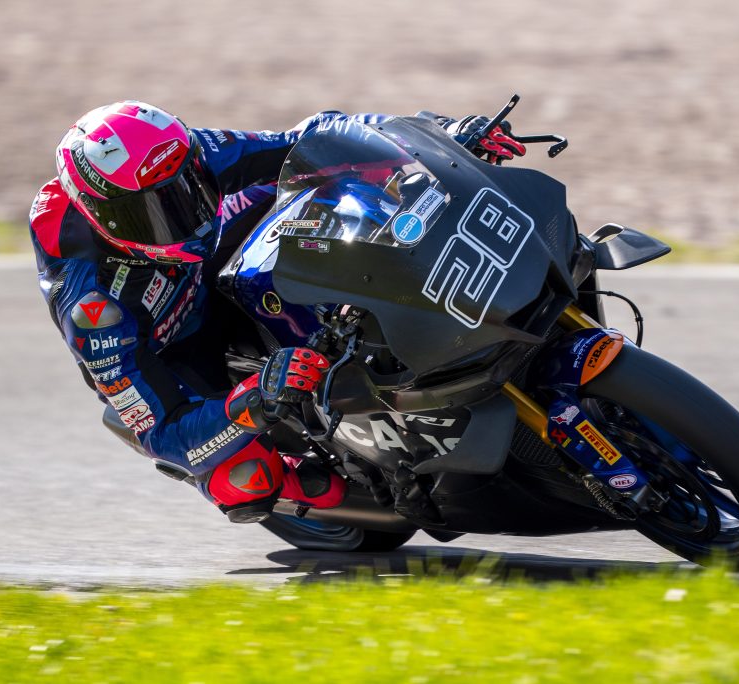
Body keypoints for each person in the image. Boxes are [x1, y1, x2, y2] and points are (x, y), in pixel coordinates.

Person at [30, 100, 526, 524]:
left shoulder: (184, 152)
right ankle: (319, 488)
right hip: (176, 346)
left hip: (216, 257)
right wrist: (255, 398)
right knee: (242, 480)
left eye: (186, 191)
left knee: (325, 176)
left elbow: (318, 136)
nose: (181, 218)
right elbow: (164, 432)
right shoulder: (92, 306)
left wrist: (440, 135)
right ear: (99, 215)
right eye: (151, 213)